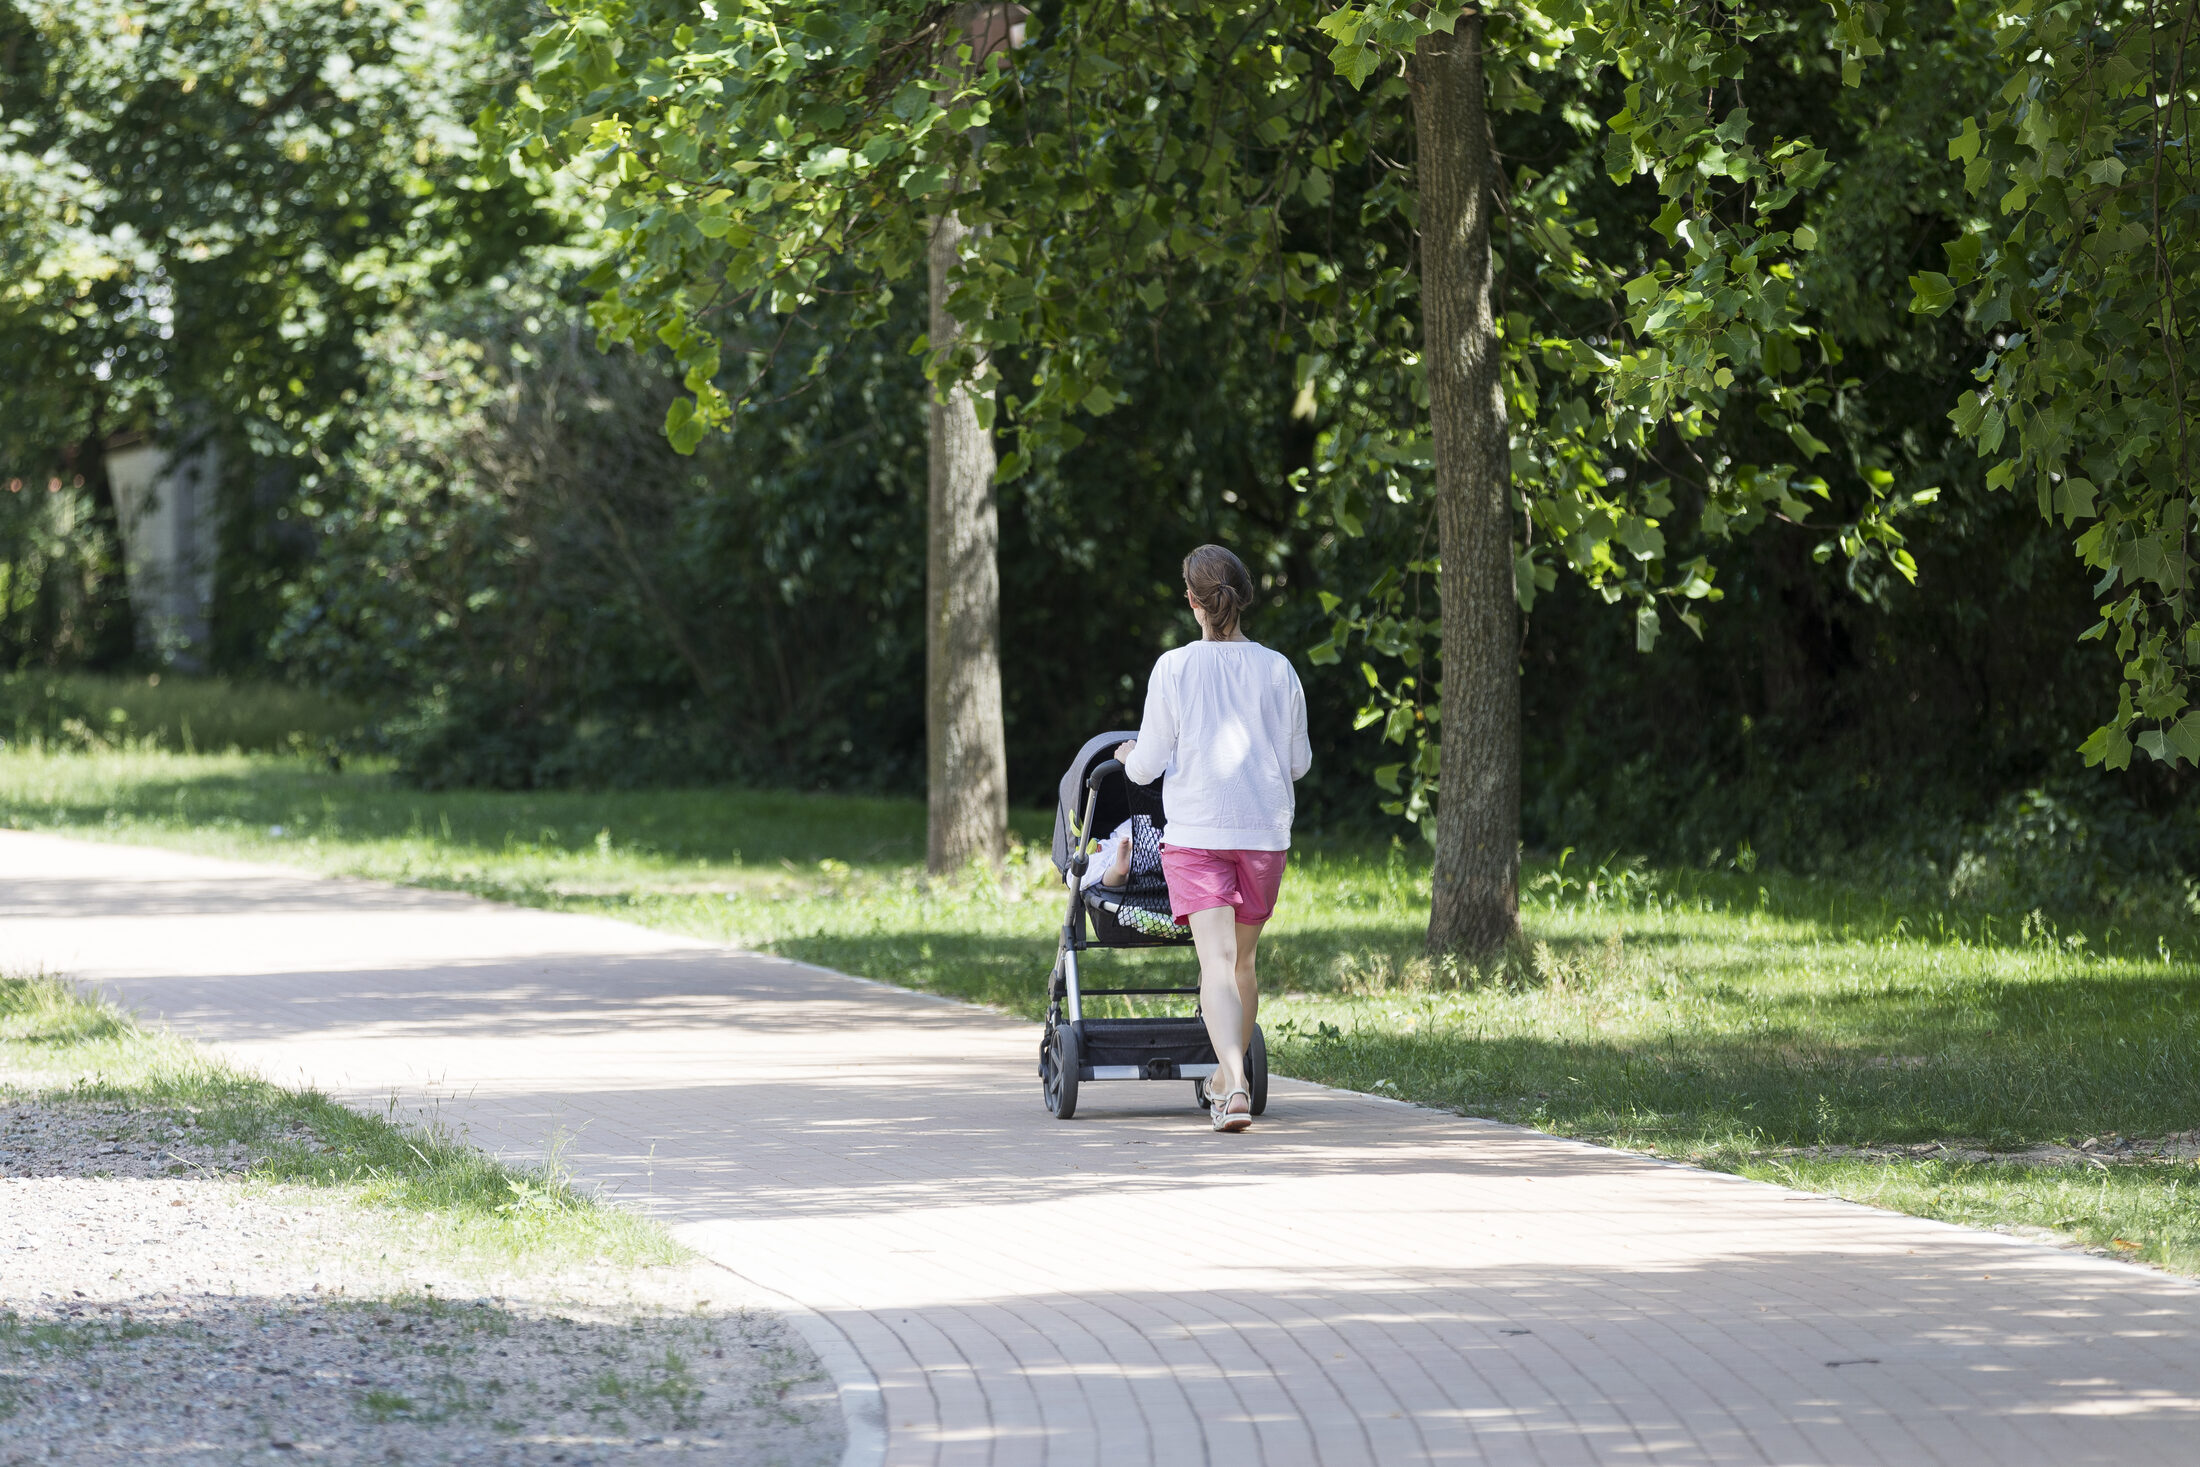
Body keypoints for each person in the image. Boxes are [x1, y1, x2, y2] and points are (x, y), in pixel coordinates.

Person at [1117, 544, 1311, 1132]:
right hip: (1263, 834)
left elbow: (1146, 766)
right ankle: (1227, 1080)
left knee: (1216, 965)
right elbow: (1297, 762)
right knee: (1243, 964)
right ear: (1242, 596)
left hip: (1198, 833)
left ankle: (1233, 1084)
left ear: (1193, 602)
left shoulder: (1173, 668)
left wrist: (1128, 756)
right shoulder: (1278, 669)